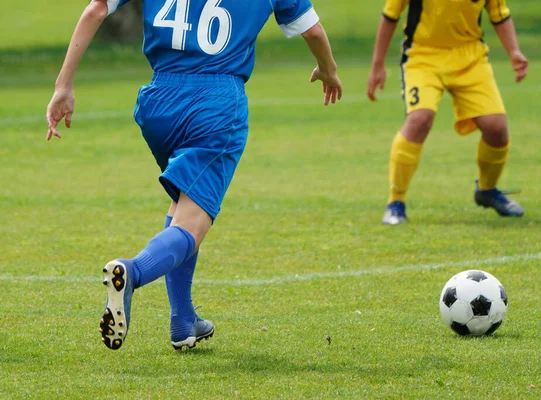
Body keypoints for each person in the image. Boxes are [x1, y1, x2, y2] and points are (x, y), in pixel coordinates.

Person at [46, 0, 342, 350]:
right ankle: (132, 271)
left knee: (184, 203)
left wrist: (64, 85)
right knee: (192, 221)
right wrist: (328, 69)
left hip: (159, 100)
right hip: (216, 102)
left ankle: (183, 320)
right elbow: (312, 30)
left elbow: (96, 9)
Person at [367, 0, 528, 225]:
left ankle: (487, 189)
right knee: (419, 119)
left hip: (470, 59)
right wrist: (377, 65)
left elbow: (499, 14)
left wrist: (514, 52)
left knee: (497, 128)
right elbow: (390, 15)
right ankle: (396, 202)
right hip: (422, 56)